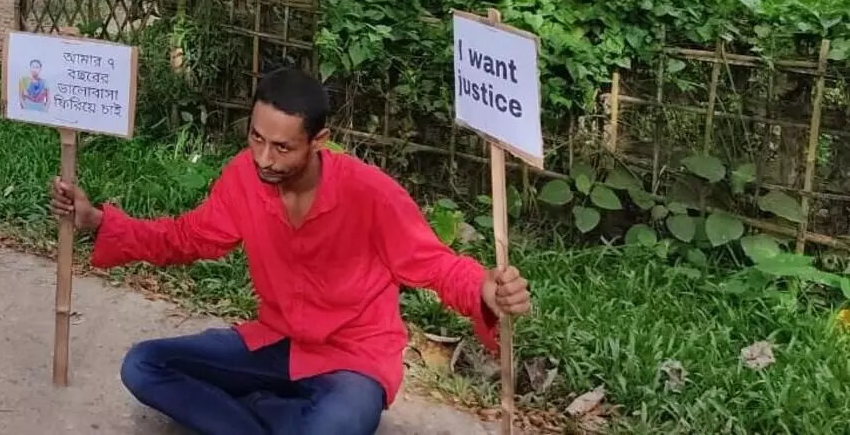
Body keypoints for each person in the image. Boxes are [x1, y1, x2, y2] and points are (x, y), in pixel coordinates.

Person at [49, 67, 533, 435]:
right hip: (274, 343)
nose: (264, 158)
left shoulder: (371, 193)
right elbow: (187, 237)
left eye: (282, 148)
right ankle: (273, 415)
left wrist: (485, 287)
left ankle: (264, 413)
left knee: (337, 423)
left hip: (353, 361)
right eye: (256, 138)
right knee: (143, 365)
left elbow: (433, 264)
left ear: (319, 141)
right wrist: (97, 222)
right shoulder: (244, 175)